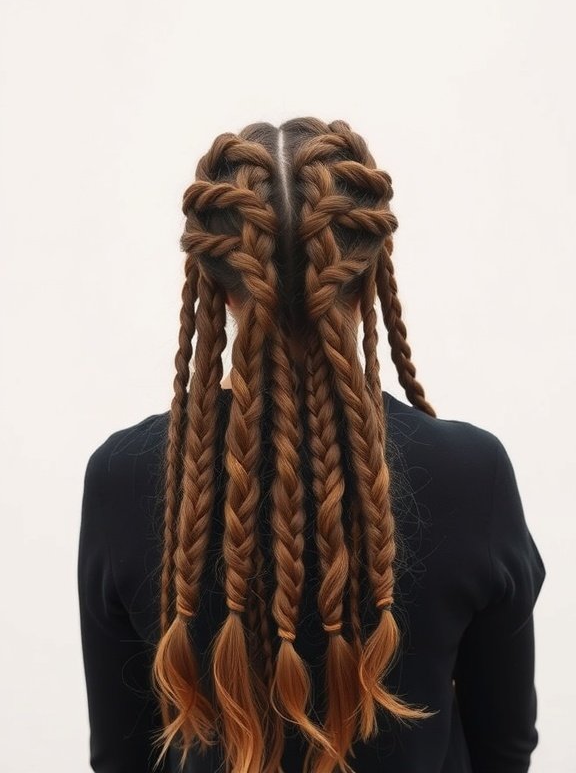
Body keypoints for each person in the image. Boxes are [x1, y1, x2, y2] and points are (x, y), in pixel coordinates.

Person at [77, 116, 546, 773]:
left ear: (214, 282)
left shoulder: (122, 479)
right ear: (368, 270)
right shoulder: (473, 473)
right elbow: (505, 749)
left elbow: (120, 759)